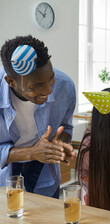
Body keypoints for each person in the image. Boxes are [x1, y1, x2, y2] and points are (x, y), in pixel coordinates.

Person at [0, 35, 76, 198]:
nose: (49, 90)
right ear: (10, 82)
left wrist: (58, 144)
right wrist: (32, 152)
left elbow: (66, 127)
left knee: (46, 221)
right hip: (4, 175)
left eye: (51, 78)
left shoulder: (65, 86)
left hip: (45, 173)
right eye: (37, 85)